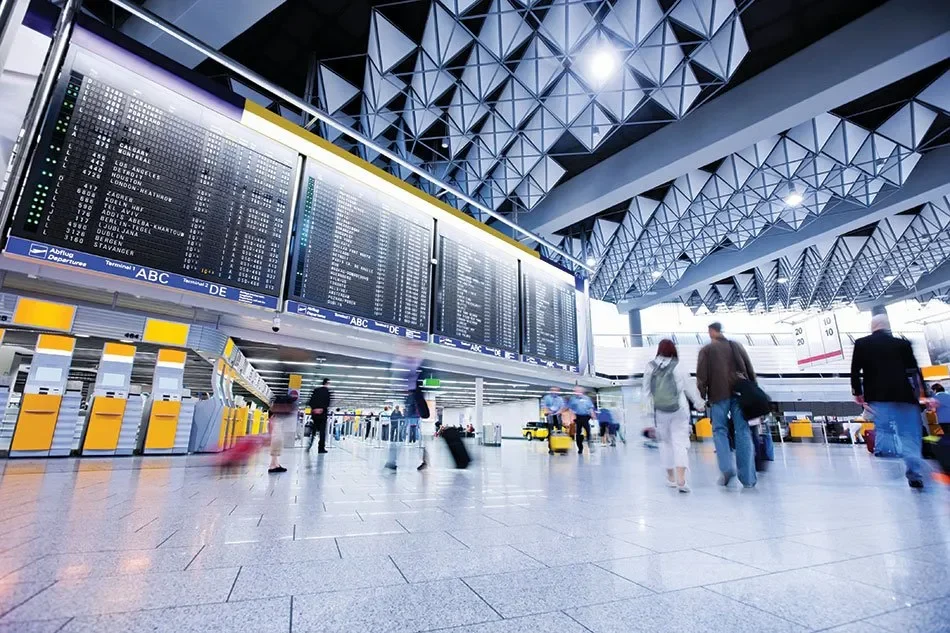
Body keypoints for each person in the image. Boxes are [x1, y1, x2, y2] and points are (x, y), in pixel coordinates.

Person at [851, 314, 927, 489]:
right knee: (909, 434)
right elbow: (914, 370)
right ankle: (914, 470)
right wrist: (924, 393)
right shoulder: (903, 344)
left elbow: (855, 370)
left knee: (885, 428)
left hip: (879, 396)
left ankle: (888, 456)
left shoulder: (862, 344)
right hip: (905, 396)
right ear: (888, 326)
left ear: (872, 326)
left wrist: (857, 392)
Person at [696, 321, 758, 488]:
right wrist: (754, 389)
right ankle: (748, 479)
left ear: (711, 331)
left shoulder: (706, 350)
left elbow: (701, 377)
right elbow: (749, 369)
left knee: (719, 430)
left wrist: (701, 397)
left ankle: (726, 468)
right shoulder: (735, 346)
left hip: (718, 395)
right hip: (740, 394)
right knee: (743, 431)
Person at [644, 339, 703, 492]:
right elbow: (690, 387)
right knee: (680, 443)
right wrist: (698, 403)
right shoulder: (679, 365)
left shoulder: (650, 367)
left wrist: (649, 414)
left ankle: (670, 478)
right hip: (680, 410)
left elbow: (646, 393)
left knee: (665, 444)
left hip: (660, 411)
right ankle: (682, 480)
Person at [267, 391, 298, 473]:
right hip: (278, 423)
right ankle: (273, 465)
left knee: (278, 443)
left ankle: (275, 464)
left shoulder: (275, 410)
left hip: (277, 422)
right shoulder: (279, 413)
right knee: (277, 442)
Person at [568, 386, 595, 454]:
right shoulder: (573, 399)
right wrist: (571, 418)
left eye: (578, 391)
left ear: (582, 391)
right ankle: (580, 448)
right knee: (578, 433)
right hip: (577, 417)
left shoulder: (587, 399)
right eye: (575, 391)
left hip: (586, 417)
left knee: (588, 431)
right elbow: (570, 409)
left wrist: (593, 415)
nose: (576, 392)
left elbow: (590, 408)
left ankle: (590, 444)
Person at [308, 378, 332, 453]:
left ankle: (309, 445)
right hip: (323, 415)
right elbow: (328, 403)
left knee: (313, 431)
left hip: (315, 415)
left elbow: (310, 401)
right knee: (322, 432)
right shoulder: (328, 392)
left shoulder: (316, 390)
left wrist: (314, 409)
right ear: (327, 383)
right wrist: (322, 409)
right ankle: (321, 448)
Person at [541, 387, 566, 454]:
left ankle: (561, 448)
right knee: (551, 433)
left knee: (560, 433)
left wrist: (559, 412)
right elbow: (544, 406)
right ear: (551, 391)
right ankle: (551, 449)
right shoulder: (547, 398)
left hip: (558, 416)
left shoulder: (560, 399)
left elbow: (562, 407)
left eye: (556, 391)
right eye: (554, 391)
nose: (555, 392)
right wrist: (549, 411)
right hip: (550, 416)